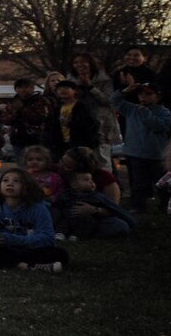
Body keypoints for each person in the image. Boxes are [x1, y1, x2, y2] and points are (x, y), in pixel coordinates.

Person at [0, 169, 68, 272]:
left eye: (16, 181)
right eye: (5, 180)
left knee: (60, 254)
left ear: (27, 186)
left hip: (30, 250)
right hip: (4, 249)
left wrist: (12, 239)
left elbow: (47, 238)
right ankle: (27, 266)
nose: (10, 184)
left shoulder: (38, 208)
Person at [112, 80, 170, 213]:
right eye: (141, 94)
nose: (143, 97)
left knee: (161, 183)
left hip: (157, 155)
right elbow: (114, 100)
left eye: (148, 94)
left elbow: (160, 126)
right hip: (135, 154)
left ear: (158, 96)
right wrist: (125, 90)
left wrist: (146, 114)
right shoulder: (131, 109)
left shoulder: (164, 112)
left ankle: (164, 205)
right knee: (138, 183)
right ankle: (138, 206)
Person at [54, 169, 136, 240]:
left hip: (90, 220)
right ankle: (61, 233)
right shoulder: (66, 194)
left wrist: (94, 210)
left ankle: (78, 235)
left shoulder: (97, 196)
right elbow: (58, 205)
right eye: (86, 180)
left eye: (92, 180)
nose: (91, 182)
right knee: (63, 221)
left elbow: (113, 208)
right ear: (74, 185)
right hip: (68, 217)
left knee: (118, 226)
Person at [1, 77, 49, 163]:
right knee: (22, 165)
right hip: (17, 139)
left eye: (26, 87)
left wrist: (22, 109)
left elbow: (40, 117)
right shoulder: (13, 102)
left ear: (32, 88)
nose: (23, 90)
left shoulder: (39, 101)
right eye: (19, 87)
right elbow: (6, 120)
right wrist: (15, 112)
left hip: (35, 138)